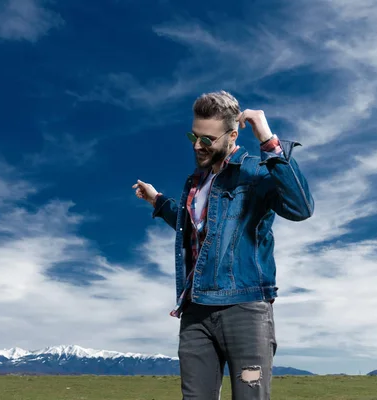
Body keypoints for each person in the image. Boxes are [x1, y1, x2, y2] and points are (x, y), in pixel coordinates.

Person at [132, 90, 314, 399]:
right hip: (195, 312)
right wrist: (159, 201)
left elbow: (300, 207)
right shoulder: (194, 183)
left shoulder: (255, 172)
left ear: (232, 136)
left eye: (208, 140)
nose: (197, 145)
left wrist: (268, 141)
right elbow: (194, 228)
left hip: (244, 309)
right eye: (194, 135)